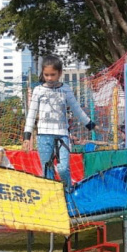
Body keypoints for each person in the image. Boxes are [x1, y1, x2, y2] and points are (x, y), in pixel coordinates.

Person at [22, 55, 95, 184]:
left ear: (59, 73)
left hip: (62, 134)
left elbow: (76, 108)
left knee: (62, 168)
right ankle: (53, 197)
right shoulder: (38, 90)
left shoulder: (65, 89)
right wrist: (26, 137)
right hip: (43, 135)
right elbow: (31, 114)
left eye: (53, 75)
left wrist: (90, 124)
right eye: (46, 75)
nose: (49, 78)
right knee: (47, 170)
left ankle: (68, 190)